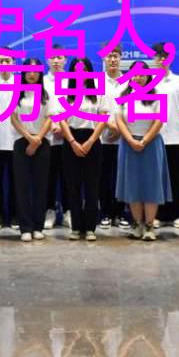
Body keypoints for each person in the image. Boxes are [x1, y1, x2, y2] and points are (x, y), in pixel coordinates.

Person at [114, 63, 171, 242]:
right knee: (133, 185)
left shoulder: (158, 95)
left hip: (151, 145)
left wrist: (144, 140)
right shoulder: (122, 95)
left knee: (151, 185)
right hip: (129, 144)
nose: (138, 78)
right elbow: (119, 120)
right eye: (135, 75)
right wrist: (131, 140)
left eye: (142, 75)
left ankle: (149, 225)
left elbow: (159, 121)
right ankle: (137, 224)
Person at [57, 57, 108, 242]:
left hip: (92, 140)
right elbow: (61, 120)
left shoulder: (98, 92)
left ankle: (90, 228)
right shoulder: (65, 92)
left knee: (92, 186)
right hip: (71, 140)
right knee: (73, 186)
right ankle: (76, 227)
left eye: (84, 69)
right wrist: (72, 141)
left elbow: (103, 117)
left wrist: (91, 141)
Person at [10, 58, 54, 242]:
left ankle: (38, 226)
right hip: (22, 142)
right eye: (28, 70)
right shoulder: (17, 93)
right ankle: (25, 227)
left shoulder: (45, 94)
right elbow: (13, 119)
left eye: (35, 70)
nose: (32, 73)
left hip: (42, 142)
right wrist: (29, 138)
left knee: (40, 186)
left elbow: (49, 118)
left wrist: (37, 139)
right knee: (22, 187)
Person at [150, 43, 179, 230]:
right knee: (155, 178)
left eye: (165, 56)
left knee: (175, 177)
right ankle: (156, 215)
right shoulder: (148, 82)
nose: (162, 60)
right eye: (158, 56)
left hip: (175, 137)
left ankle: (175, 215)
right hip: (153, 137)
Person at [97, 45, 128, 231]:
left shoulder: (129, 81)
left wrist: (119, 130)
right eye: (109, 56)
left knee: (122, 177)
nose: (113, 60)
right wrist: (109, 125)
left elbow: (132, 107)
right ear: (104, 59)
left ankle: (120, 213)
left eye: (116, 56)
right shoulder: (96, 82)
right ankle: (105, 214)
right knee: (104, 177)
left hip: (124, 138)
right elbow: (94, 109)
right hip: (102, 138)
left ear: (121, 58)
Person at [0, 53, 18, 231]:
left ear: (14, 63)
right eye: (1, 61)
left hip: (17, 139)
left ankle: (15, 215)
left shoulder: (21, 85)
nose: (5, 63)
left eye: (8, 60)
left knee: (17, 182)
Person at [42, 52, 68, 230]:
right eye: (53, 57)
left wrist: (63, 127)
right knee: (48, 179)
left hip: (68, 138)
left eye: (60, 57)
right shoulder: (42, 82)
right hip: (47, 137)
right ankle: (49, 211)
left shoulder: (72, 81)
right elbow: (41, 108)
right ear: (47, 60)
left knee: (69, 178)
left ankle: (68, 212)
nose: (56, 60)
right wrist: (52, 125)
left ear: (65, 60)